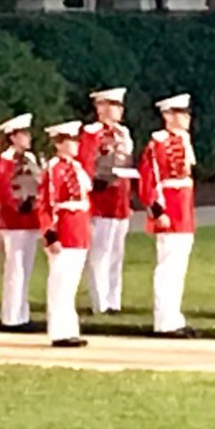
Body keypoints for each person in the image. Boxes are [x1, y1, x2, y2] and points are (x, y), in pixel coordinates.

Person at [138, 92, 198, 337]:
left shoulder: (183, 140)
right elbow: (149, 180)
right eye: (180, 113)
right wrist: (157, 210)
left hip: (183, 211)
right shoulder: (159, 143)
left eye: (185, 113)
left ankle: (174, 317)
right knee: (168, 267)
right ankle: (164, 321)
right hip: (170, 211)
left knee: (178, 267)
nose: (186, 118)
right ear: (167, 116)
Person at [79, 86, 135, 314]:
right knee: (100, 253)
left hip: (119, 199)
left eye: (119, 105)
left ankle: (114, 300)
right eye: (112, 105)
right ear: (100, 107)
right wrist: (95, 181)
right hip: (101, 199)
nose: (117, 110)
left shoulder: (123, 133)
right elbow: (85, 162)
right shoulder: (92, 133)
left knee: (116, 254)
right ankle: (100, 301)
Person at [37, 121, 92, 347]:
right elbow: (46, 204)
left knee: (71, 283)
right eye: (70, 141)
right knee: (60, 282)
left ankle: (70, 328)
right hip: (64, 228)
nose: (75, 144)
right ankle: (59, 331)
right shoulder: (54, 168)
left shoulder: (76, 167)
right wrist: (50, 233)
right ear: (59, 144)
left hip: (79, 228)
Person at [0, 114, 43, 332]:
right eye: (23, 134)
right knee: (15, 268)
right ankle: (12, 316)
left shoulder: (30, 158)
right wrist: (15, 206)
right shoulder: (6, 160)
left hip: (31, 217)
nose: (27, 138)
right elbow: (3, 189)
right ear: (13, 137)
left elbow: (39, 181)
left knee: (26, 267)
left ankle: (22, 313)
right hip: (14, 220)